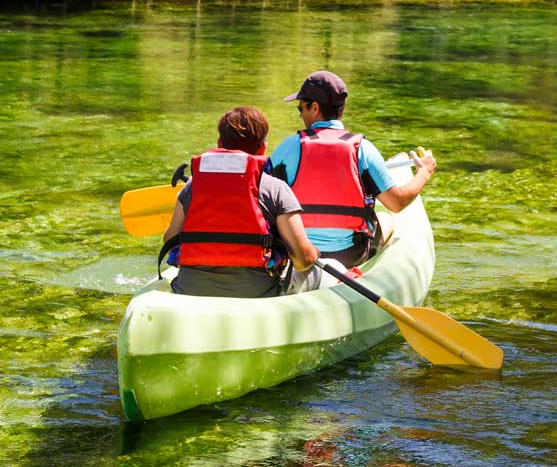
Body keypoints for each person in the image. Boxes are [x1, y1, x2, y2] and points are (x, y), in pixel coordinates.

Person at [267, 70, 437, 270]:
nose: (300, 114)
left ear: (315, 107)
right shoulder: (363, 149)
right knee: (387, 219)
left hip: (298, 252)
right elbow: (397, 202)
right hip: (351, 255)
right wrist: (424, 173)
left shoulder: (289, 147)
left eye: (301, 107)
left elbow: (261, 194)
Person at [162, 106, 321, 298]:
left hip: (190, 288)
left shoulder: (192, 186)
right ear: (262, 148)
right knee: (316, 272)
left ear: (220, 144)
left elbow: (169, 241)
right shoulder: (276, 189)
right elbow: (303, 260)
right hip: (257, 293)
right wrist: (314, 252)